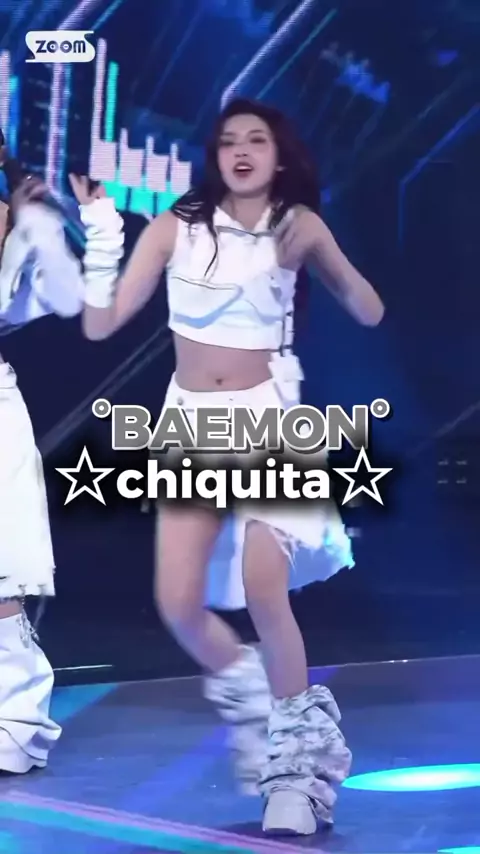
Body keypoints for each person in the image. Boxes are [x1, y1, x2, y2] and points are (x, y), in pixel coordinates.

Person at [73, 98, 384, 836]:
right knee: (178, 603)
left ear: (279, 156)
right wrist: (101, 232)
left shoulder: (295, 225)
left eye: (257, 140)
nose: (241, 151)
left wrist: (326, 256)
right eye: (229, 141)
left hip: (269, 413)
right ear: (213, 156)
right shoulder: (174, 227)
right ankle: (263, 705)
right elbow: (99, 324)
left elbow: (369, 310)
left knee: (264, 583)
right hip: (193, 422)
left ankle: (296, 774)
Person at [0, 146, 124, 774]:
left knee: (3, 574)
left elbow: (72, 301)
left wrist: (52, 227)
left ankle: (14, 724)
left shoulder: (20, 222)